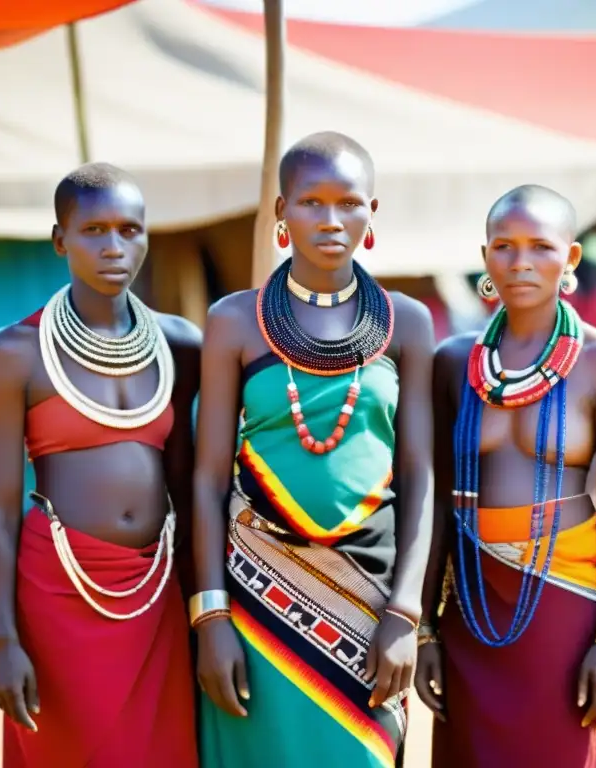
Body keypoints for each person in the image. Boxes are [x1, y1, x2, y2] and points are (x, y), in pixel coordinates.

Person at [191, 132, 435, 767]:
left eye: (349, 203)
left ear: (371, 214)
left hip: (371, 602)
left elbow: (419, 475)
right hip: (254, 595)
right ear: (280, 212)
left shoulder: (406, 322)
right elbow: (207, 479)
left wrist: (407, 614)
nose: (331, 220)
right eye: (310, 202)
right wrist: (211, 617)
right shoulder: (234, 321)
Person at [0, 162, 202, 767]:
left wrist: (205, 611)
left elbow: (190, 485)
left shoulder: (181, 343)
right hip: (56, 595)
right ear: (61, 240)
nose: (114, 247)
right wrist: (4, 641)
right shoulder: (14, 353)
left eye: (130, 230)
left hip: (157, 591)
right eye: (94, 230)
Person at [417, 185, 596, 768]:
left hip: (565, 602)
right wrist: (426, 631)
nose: (521, 262)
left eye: (541, 246)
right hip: (471, 601)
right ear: (485, 256)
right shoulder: (452, 361)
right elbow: (439, 500)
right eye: (505, 246)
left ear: (570, 258)